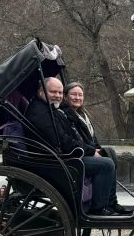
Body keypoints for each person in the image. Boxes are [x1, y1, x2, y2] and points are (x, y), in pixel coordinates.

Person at [25, 77, 124, 216]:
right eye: (53, 92)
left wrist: (91, 149)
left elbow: (69, 135)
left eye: (60, 92)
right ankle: (97, 209)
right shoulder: (41, 113)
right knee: (105, 165)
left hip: (61, 156)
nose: (58, 96)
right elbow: (62, 141)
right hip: (55, 161)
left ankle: (110, 203)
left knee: (108, 154)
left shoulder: (49, 108)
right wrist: (89, 151)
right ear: (41, 91)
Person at [63, 82, 129, 212]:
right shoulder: (67, 114)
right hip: (76, 155)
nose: (77, 98)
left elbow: (91, 138)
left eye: (80, 95)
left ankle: (111, 202)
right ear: (66, 97)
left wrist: (98, 148)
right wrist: (92, 151)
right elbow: (75, 140)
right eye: (74, 95)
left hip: (85, 150)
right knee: (107, 163)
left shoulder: (82, 115)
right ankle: (99, 207)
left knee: (110, 153)